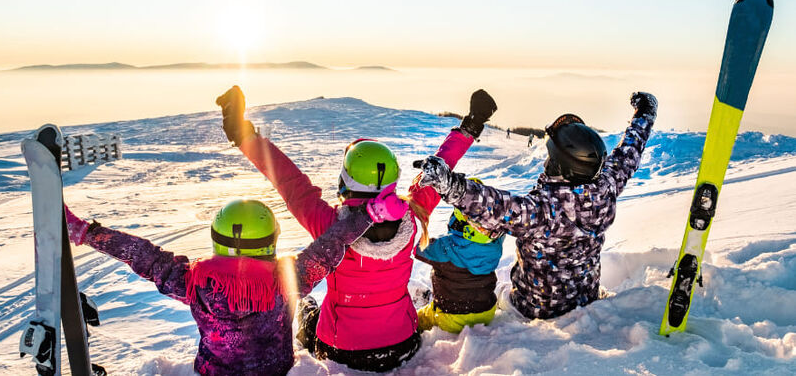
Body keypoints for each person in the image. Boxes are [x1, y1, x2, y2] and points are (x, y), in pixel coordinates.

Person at [216, 86, 496, 372]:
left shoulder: (330, 226)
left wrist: (244, 135)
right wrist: (470, 126)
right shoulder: (413, 216)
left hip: (341, 350)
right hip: (403, 343)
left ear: (346, 180)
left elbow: (289, 181)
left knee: (308, 312)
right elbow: (439, 169)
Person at [63, 197, 396, 376]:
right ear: (270, 242)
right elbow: (330, 245)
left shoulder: (194, 280)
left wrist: (88, 232)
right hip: (276, 372)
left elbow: (144, 256)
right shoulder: (288, 279)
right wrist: (369, 214)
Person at [415, 92, 657, 320]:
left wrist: (449, 184)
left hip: (534, 308)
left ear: (561, 166)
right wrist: (644, 115)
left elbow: (494, 206)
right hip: (586, 297)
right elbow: (628, 154)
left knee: (498, 298)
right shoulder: (606, 187)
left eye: (551, 157)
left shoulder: (543, 210)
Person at [413, 177, 506, 333]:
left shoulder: (446, 248)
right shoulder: (495, 245)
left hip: (451, 317)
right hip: (486, 312)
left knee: (418, 319)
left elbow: (419, 248)